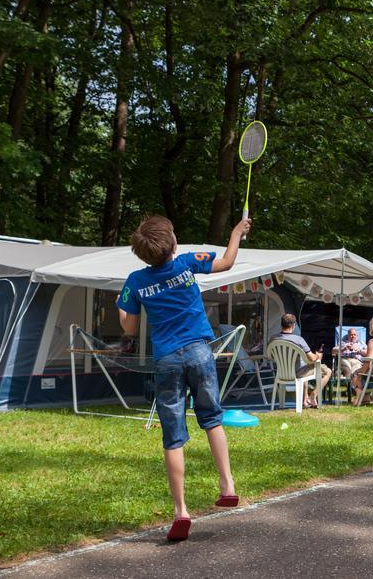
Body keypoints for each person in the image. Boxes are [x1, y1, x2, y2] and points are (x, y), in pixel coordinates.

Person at [117, 215, 250, 542]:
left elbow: (129, 328)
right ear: (172, 243)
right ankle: (227, 485)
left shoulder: (135, 281)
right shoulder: (187, 264)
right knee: (212, 418)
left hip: (167, 360)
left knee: (173, 435)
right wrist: (236, 232)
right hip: (199, 353)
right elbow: (228, 263)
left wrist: (121, 307)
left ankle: (181, 511)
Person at [272, 313, 330, 407]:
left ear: (281, 324)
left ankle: (305, 400)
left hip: (281, 373)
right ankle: (313, 396)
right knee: (328, 371)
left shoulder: (273, 339)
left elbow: (270, 356)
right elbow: (312, 358)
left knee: (304, 364)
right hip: (298, 373)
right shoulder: (298, 340)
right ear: (293, 325)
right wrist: (317, 356)